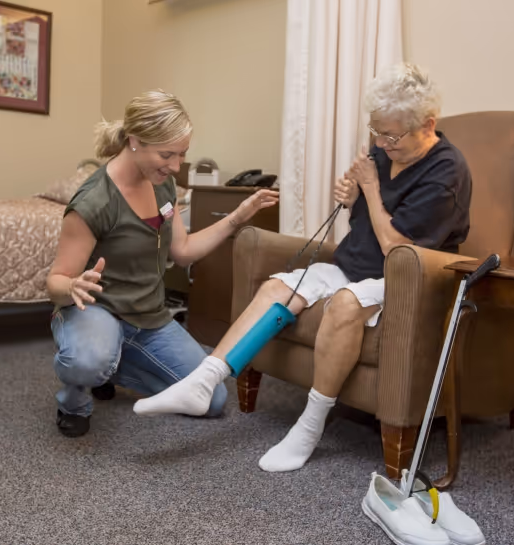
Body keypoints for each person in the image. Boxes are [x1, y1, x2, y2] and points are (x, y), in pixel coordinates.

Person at [132, 63, 472, 473]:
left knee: (345, 304)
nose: (380, 143)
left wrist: (370, 187)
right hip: (355, 267)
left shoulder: (446, 171)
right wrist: (350, 198)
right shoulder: (383, 151)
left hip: (406, 280)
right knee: (276, 289)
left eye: (390, 136)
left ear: (427, 125)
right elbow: (366, 218)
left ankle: (309, 427)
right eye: (375, 132)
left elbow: (397, 248)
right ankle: (203, 382)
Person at [46, 90, 279, 437]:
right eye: (167, 154)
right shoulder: (94, 201)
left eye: (182, 154)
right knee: (87, 361)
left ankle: (109, 366)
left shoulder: (164, 186)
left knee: (211, 399)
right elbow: (55, 281)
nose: (175, 166)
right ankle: (75, 397)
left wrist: (237, 217)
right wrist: (73, 285)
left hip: (147, 317)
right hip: (97, 311)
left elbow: (182, 250)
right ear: (135, 141)